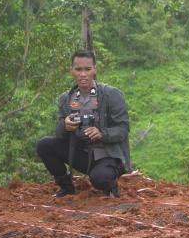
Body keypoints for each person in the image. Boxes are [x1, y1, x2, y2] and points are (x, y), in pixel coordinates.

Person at [36, 50, 131, 199]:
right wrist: (64, 126)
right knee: (44, 145)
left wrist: (102, 133)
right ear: (71, 71)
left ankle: (111, 187)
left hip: (107, 155)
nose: (83, 74)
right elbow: (60, 134)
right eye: (78, 69)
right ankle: (66, 187)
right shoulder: (65, 99)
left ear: (95, 69)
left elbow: (123, 129)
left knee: (100, 179)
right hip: (82, 154)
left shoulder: (111, 95)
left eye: (87, 69)